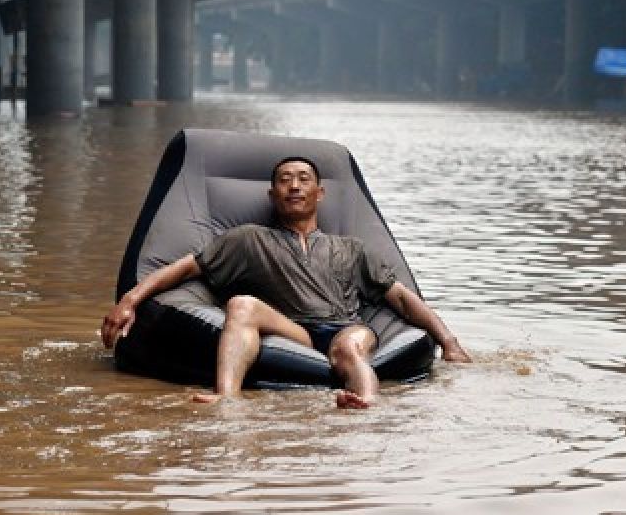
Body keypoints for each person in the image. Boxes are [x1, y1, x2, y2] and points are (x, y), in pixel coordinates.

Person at [100, 156, 472, 409]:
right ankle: (227, 399)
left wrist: (449, 342)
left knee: (348, 348)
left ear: (319, 193)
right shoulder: (248, 239)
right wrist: (129, 301)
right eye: (284, 180)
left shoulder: (352, 248)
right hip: (296, 331)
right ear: (272, 194)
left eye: (303, 179)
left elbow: (403, 301)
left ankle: (366, 403)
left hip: (348, 327)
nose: (294, 186)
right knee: (241, 304)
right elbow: (183, 269)